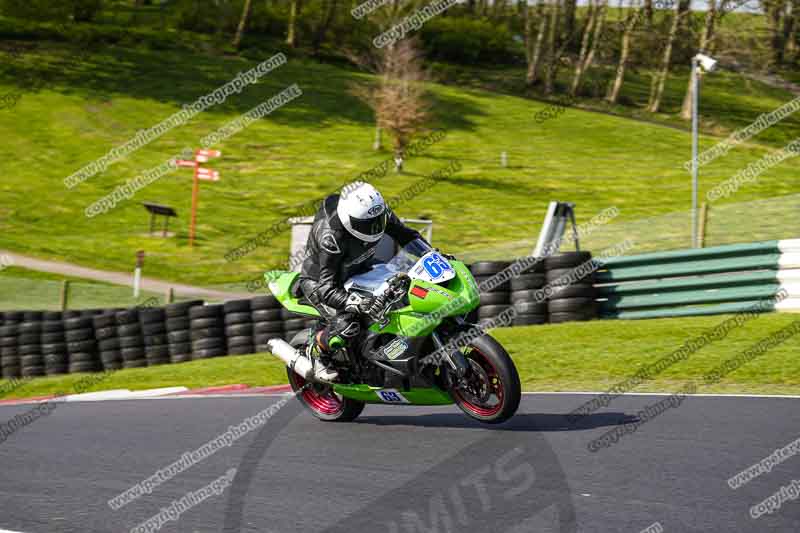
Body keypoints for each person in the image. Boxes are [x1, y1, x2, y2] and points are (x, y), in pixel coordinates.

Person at [298, 181, 422, 381]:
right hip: (321, 281)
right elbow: (327, 288)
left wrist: (431, 255)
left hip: (359, 268)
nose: (374, 229)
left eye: (377, 221)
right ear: (349, 220)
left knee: (402, 289)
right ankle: (317, 350)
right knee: (349, 325)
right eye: (366, 225)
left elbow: (407, 235)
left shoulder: (374, 213)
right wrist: (356, 303)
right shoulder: (331, 236)